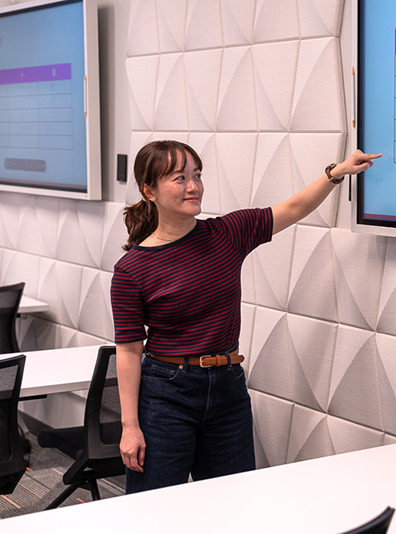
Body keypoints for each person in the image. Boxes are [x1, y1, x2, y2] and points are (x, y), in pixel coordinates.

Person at [111, 140, 381, 493]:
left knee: (233, 502)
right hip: (166, 394)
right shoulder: (132, 270)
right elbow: (129, 352)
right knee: (153, 507)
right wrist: (130, 426)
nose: (193, 187)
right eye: (179, 179)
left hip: (227, 387)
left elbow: (294, 207)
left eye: (197, 175)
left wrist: (335, 174)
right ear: (149, 190)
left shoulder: (228, 233)